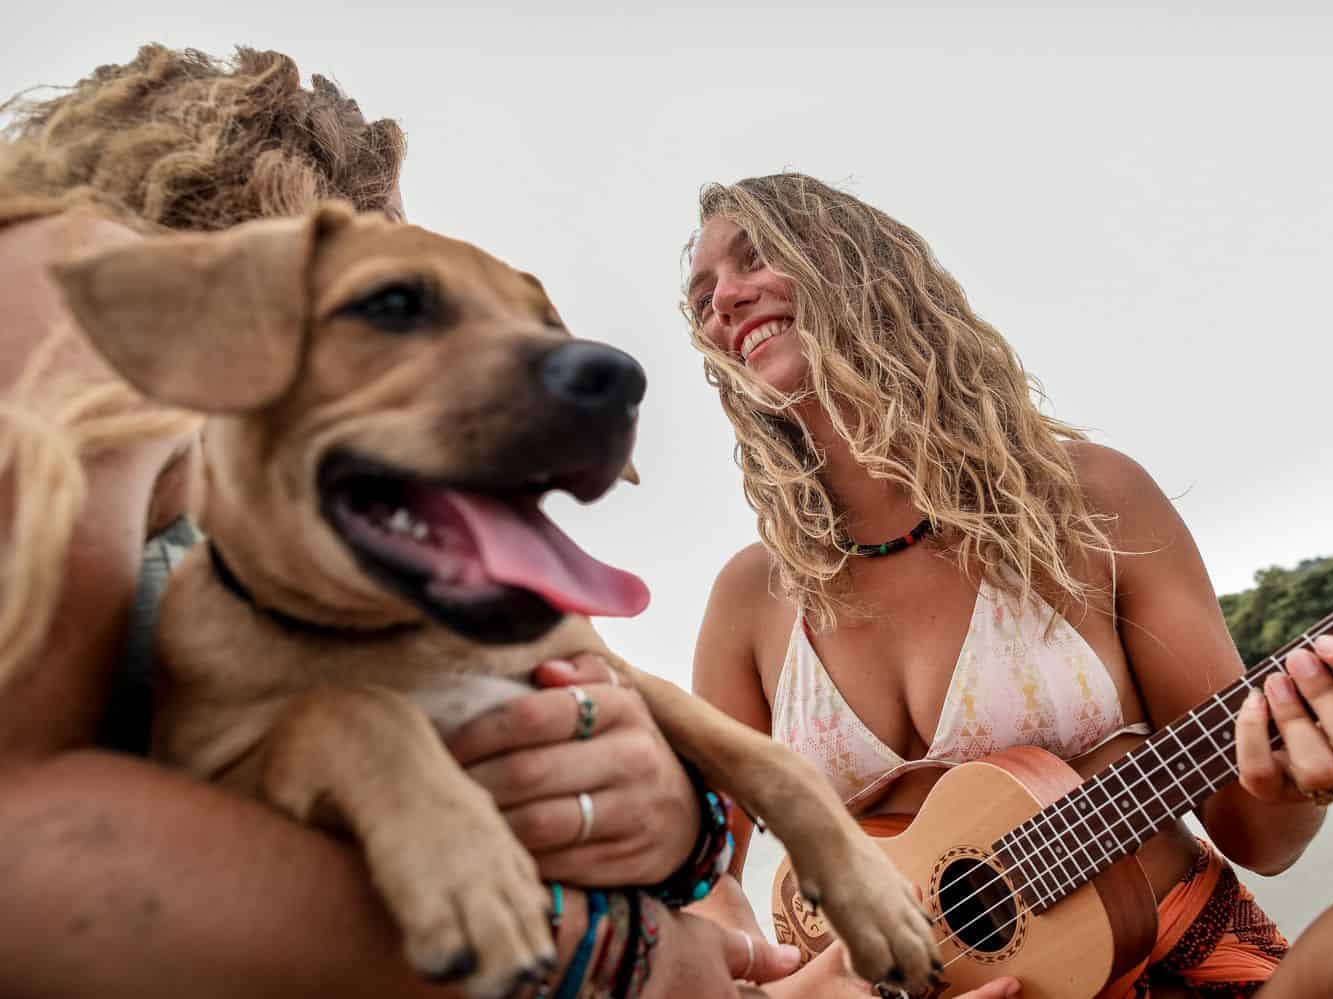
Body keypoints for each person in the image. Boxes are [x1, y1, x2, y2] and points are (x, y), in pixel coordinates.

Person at [0, 45, 806, 999]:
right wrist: (610, 961)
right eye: (396, 304)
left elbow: (618, 733)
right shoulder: (68, 282)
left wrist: (676, 817)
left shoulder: (372, 528)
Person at [679, 172, 1333, 998]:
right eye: (703, 293)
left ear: (860, 267)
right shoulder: (750, 600)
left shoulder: (1089, 501)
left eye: (757, 259)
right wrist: (774, 991)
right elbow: (698, 880)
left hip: (1181, 965)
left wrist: (1302, 775)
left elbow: (1258, 836)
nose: (725, 302)